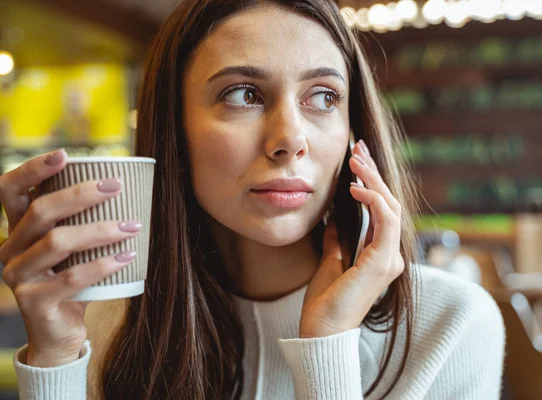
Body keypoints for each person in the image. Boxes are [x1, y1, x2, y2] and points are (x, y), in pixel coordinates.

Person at [0, 1, 505, 399]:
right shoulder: (107, 329)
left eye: (324, 96)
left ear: (354, 130)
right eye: (242, 93)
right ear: (173, 131)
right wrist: (56, 359)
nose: (290, 138)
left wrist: (327, 346)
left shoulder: (451, 324)